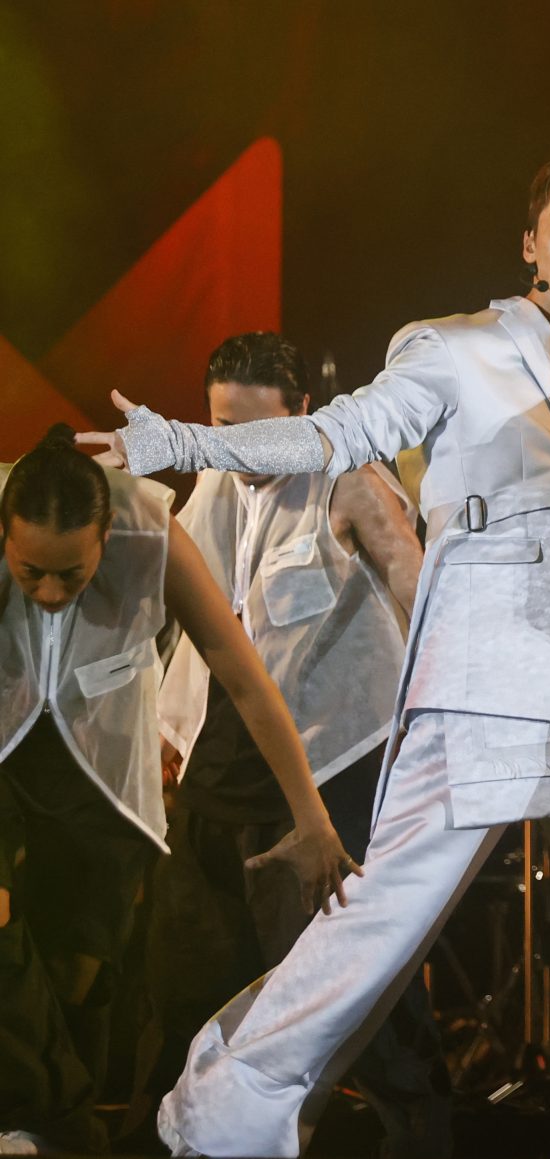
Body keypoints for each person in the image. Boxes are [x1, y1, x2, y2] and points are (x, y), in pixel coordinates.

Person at [82, 149, 550, 1159]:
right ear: (531, 242)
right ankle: (226, 1113)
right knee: (388, 912)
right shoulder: (453, 347)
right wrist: (187, 445)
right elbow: (338, 433)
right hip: (487, 668)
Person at [128, 331, 452, 1156]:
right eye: (220, 428)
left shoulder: (347, 480)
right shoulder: (213, 485)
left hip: (332, 768)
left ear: (301, 414)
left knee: (353, 997)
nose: (236, 450)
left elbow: (424, 602)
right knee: (186, 986)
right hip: (221, 773)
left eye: (252, 431)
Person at [0, 426, 355, 1156]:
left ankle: (49, 1123)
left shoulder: (150, 528)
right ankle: (62, 1128)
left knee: (75, 971)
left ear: (106, 534)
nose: (49, 592)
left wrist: (311, 815)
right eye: (30, 570)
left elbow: (242, 674)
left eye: (72, 574)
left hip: (100, 760)